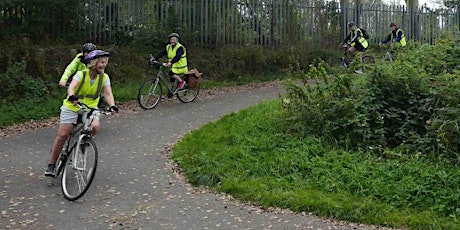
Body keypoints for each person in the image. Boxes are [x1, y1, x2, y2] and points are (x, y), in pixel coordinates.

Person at [44, 50, 118, 177]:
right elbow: (71, 87)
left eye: (105, 62)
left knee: (94, 127)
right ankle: (52, 164)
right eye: (101, 62)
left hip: (91, 108)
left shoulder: (104, 78)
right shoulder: (81, 74)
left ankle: (83, 143)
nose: (104, 65)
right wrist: (72, 96)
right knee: (63, 135)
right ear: (93, 63)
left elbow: (108, 93)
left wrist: (112, 105)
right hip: (72, 106)